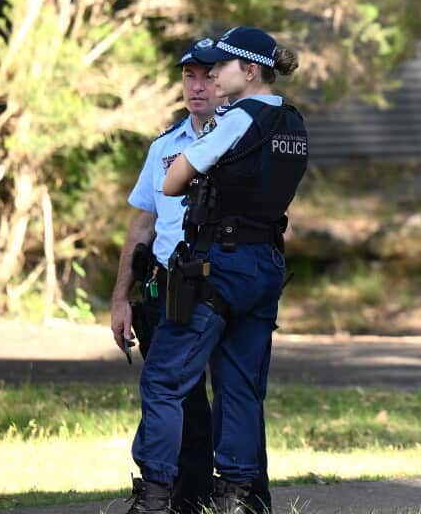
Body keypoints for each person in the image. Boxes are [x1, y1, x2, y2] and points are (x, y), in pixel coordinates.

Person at [126, 27, 307, 514]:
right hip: (265, 265)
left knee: (164, 380)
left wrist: (194, 168)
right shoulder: (293, 122)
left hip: (218, 266)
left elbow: (172, 181)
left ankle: (157, 497)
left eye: (222, 67)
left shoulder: (236, 120)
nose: (214, 76)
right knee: (241, 385)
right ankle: (237, 498)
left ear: (249, 71)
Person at [110, 39, 219, 513]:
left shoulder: (239, 141)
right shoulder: (164, 146)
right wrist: (120, 298)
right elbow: (142, 224)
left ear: (229, 79)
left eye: (207, 76)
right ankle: (185, 497)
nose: (197, 87)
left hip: (219, 286)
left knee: (204, 391)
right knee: (178, 394)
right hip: (165, 286)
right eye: (189, 76)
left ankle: (211, 492)